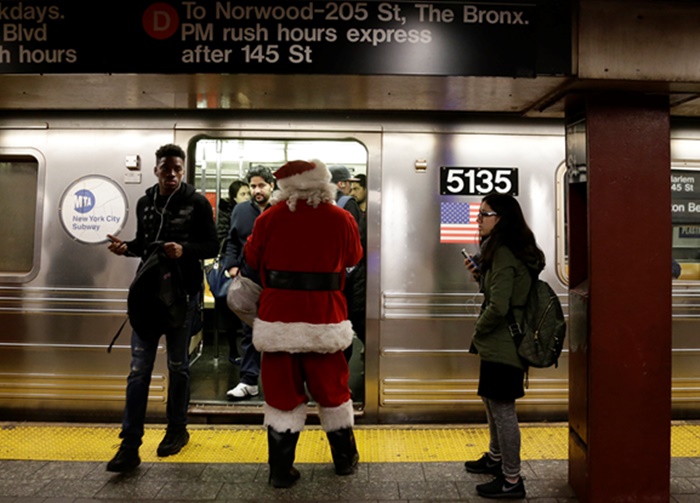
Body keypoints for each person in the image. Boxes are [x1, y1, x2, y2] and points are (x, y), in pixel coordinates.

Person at [244, 159, 363, 488]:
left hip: (278, 316)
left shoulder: (269, 218)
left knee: (282, 394)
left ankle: (280, 471)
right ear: (324, 184)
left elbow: (252, 258)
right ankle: (344, 461)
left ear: (286, 187)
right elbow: (354, 257)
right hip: (324, 316)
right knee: (333, 391)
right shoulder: (342, 219)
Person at [105, 144, 218, 473]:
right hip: (149, 294)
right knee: (139, 369)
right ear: (156, 170)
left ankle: (177, 429)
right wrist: (126, 248)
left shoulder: (196, 202)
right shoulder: (145, 202)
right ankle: (129, 444)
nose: (171, 174)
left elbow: (211, 245)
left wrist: (184, 249)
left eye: (177, 169)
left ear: (183, 171)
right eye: (166, 168)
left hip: (183, 295)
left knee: (178, 365)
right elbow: (144, 244)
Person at [462, 193, 544, 500]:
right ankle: (496, 459)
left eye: (485, 214)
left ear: (502, 219)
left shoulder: (505, 253)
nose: (478, 220)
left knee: (502, 408)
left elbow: (499, 305)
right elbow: (503, 290)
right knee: (491, 399)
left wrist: (479, 328)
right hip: (502, 340)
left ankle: (512, 479)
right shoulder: (502, 251)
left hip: (504, 341)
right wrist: (480, 277)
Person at [223, 165, 276, 400]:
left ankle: (280, 382)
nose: (257, 190)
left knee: (281, 331)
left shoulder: (283, 210)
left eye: (261, 185)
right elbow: (232, 240)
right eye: (253, 186)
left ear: (272, 186)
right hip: (249, 277)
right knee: (250, 330)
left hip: (278, 280)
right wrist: (232, 265)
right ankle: (248, 380)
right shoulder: (241, 210)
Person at [214, 179, 250, 364]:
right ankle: (233, 349)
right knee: (228, 308)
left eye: (248, 193)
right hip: (232, 266)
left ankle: (246, 353)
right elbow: (223, 238)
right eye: (243, 194)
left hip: (248, 268)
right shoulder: (228, 214)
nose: (247, 197)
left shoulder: (253, 213)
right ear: (234, 197)